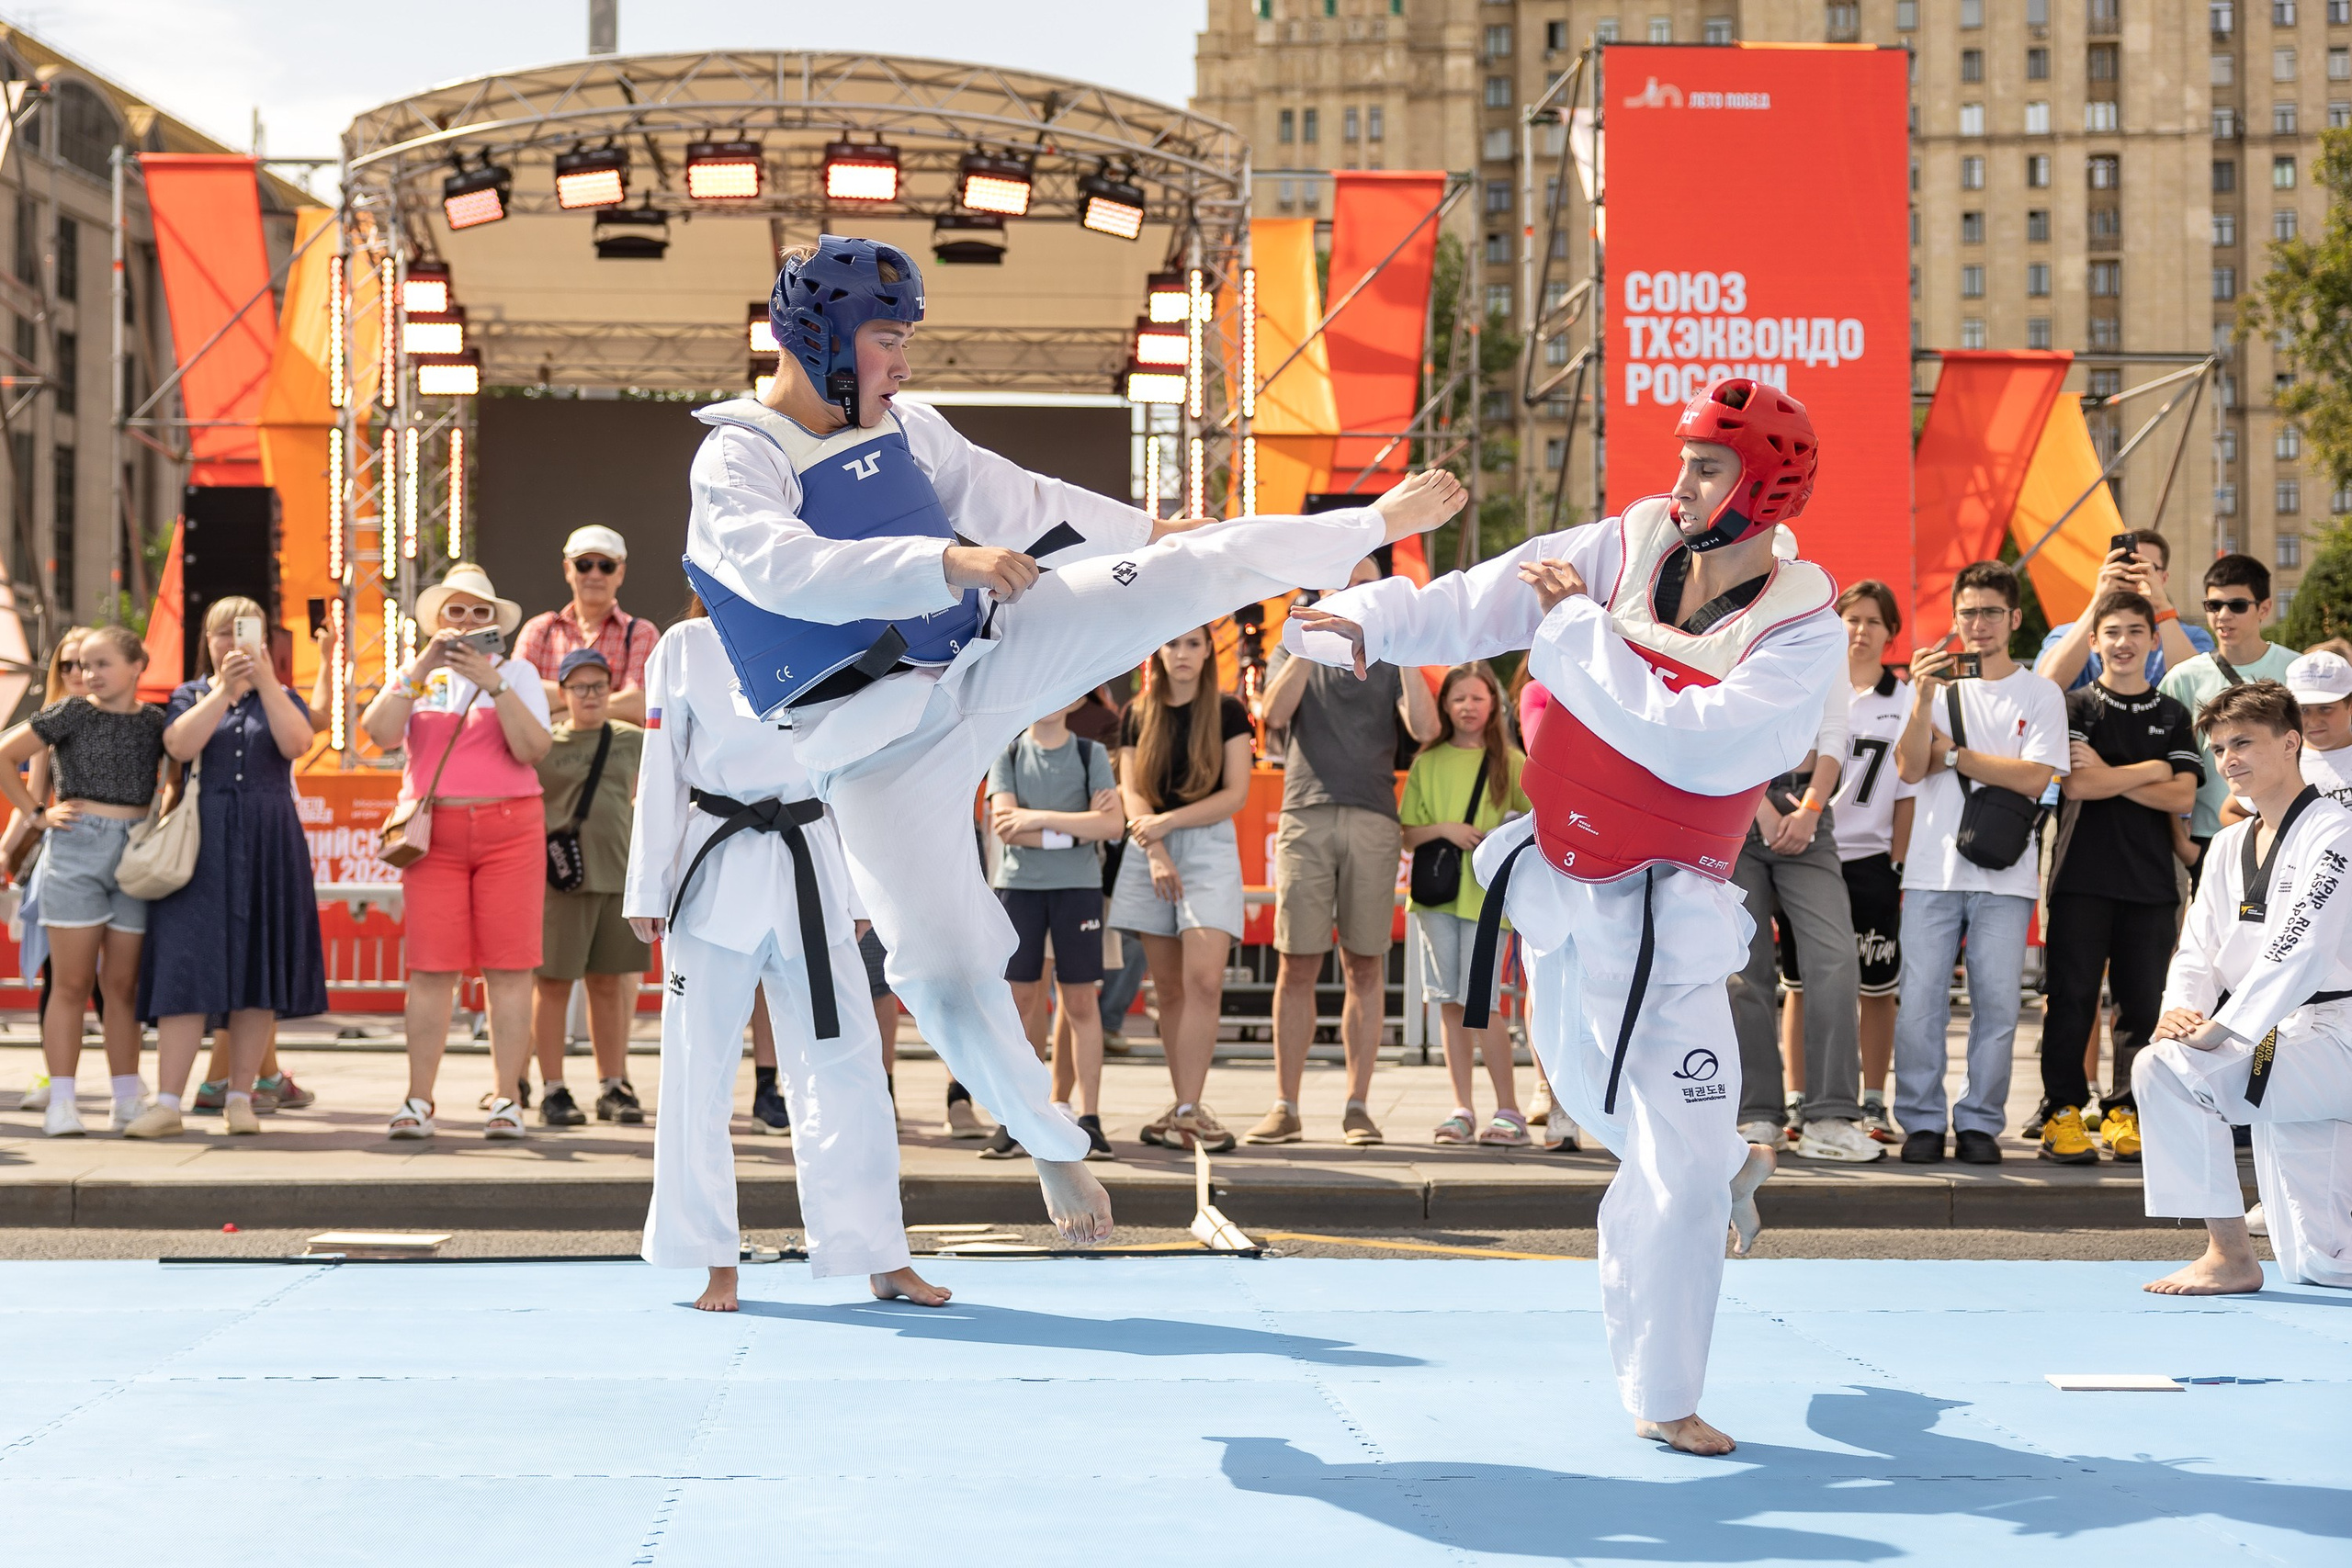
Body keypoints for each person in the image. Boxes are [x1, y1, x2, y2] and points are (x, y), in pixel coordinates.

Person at [684, 234, 1463, 1245]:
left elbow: (1033, 504)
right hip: (872, 746)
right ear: (819, 338)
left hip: (985, 657)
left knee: (1181, 573)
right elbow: (779, 567)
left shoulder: (912, 428)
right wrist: (943, 562)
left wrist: (1156, 536)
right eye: (887, 340)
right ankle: (1050, 1142)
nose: (905, 363)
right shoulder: (739, 455)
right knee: (941, 966)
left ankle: (1357, 528)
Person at [1286, 376, 1838, 1456]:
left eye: (1708, 467)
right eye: (1683, 460)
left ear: (1765, 488)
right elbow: (1476, 600)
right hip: (1557, 880)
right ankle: (1720, 1161)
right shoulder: (1622, 545)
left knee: (1673, 1165)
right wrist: (1364, 617)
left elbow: (1688, 743)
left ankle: (1666, 1391)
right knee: (1589, 1100)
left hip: (1669, 910)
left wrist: (1577, 629)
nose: (1681, 482)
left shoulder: (1800, 628)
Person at [625, 606, 945, 1312]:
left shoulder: (834, 630)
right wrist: (647, 884)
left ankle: (880, 1253)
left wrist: (861, 884)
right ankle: (714, 1257)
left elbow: (863, 768)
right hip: (715, 870)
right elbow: (659, 764)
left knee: (852, 1069)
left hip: (813, 865)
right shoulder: (685, 645)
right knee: (698, 1073)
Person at [2137, 678, 2352, 1295]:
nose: (2228, 759)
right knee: (2323, 1262)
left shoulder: (2336, 830)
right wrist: (2181, 1011)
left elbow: (2304, 946)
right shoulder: (2228, 842)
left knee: (2166, 1071)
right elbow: (2197, 947)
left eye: (2243, 743)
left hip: (2334, 1036)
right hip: (2283, 1039)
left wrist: (2226, 1026)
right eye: (2219, 747)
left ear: (2290, 742)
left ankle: (2229, 1255)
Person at [122, 599, 329, 1138]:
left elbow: (297, 742)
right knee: (186, 962)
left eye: (245, 632)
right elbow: (178, 745)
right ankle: (168, 1102)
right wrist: (223, 691)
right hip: (202, 839)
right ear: (207, 641)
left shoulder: (281, 695)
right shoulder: (189, 694)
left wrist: (265, 683)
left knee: (258, 965)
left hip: (268, 837)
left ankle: (241, 1098)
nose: (233, 643)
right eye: (222, 633)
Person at [1250, 558, 1439, 1146]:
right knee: (1296, 963)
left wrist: (1403, 647)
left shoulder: (1390, 651)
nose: (1358, 593)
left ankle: (1358, 1106)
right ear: (1326, 586)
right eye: (1348, 582)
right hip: (1306, 812)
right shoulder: (1294, 642)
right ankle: (1285, 1105)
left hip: (1373, 817)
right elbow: (1272, 715)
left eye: (1368, 584)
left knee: (1365, 964)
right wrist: (1313, 638)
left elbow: (1425, 728)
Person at [362, 564, 554, 1140]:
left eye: (479, 612)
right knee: (431, 968)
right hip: (434, 836)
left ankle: (507, 1098)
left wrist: (495, 684)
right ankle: (418, 1100)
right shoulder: (416, 675)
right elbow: (379, 732)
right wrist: (421, 668)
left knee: (510, 967)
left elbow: (533, 749)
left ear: (495, 622)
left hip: (511, 828)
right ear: (437, 620)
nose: (468, 622)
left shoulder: (517, 673)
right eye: (456, 611)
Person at [1891, 561, 2069, 1166]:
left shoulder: (2039, 692)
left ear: (2014, 618)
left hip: (2005, 873)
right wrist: (1922, 698)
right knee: (1920, 1004)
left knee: (1997, 1006)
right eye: (1968, 612)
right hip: (1930, 869)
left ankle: (1979, 1124)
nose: (1979, 623)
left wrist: (1955, 755)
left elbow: (2035, 777)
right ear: (1955, 618)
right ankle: (1920, 1121)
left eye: (1991, 611)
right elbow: (1910, 768)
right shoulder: (1935, 689)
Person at [2036, 590, 2201, 1167]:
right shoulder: (2076, 706)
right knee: (2072, 1000)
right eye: (2112, 632)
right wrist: (2154, 769)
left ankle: (2124, 1111)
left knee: (2141, 1007)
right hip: (2080, 877)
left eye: (2136, 631)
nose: (2124, 642)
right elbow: (2079, 785)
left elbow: (2183, 795)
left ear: (2153, 640)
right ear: (2094, 641)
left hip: (2151, 883)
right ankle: (2061, 1111)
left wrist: (2118, 773)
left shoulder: (2172, 713)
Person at [0, 626, 167, 1136]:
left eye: (101, 663)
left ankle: (126, 1099)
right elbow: (4, 752)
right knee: (70, 984)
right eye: (82, 665)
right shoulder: (70, 712)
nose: (88, 673)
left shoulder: (157, 721)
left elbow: (177, 778)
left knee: (122, 986)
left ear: (137, 666)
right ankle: (62, 1103)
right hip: (76, 849)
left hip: (136, 853)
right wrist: (37, 815)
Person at [1111, 626, 1254, 1153]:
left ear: (1208, 651)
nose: (1182, 653)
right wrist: (1155, 851)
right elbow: (1131, 791)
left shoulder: (1228, 710)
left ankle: (1190, 1111)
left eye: (1193, 643)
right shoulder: (1137, 713)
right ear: (1158, 651)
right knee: (1168, 988)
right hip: (1149, 847)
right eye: (1172, 643)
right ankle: (1183, 1107)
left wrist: (1167, 825)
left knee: (1204, 981)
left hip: (1207, 842)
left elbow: (1236, 794)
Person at [1726, 671, 1880, 1163]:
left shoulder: (1824, 635)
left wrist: (1811, 810)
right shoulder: (1737, 634)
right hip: (1735, 808)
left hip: (1808, 809)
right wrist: (1761, 811)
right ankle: (1756, 1113)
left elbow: (1834, 734)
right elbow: (1724, 728)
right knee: (1741, 969)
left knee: (1836, 960)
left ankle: (1830, 1116)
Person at [985, 693, 1124, 1159]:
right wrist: (1078, 828)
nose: (1052, 699)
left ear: (1077, 696)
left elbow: (1113, 826)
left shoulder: (1090, 753)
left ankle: (1091, 1117)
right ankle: (1018, 1116)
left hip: (1078, 888)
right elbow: (1007, 827)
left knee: (1080, 1001)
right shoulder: (1007, 753)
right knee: (1020, 1002)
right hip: (1019, 887)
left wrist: (1038, 819)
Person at [1399, 661, 1532, 1145]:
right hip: (1435, 900)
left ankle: (1509, 1110)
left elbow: (1534, 825)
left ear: (1494, 703)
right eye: (1458, 698)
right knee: (1449, 1003)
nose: (1468, 707)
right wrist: (1447, 830)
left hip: (1488, 901)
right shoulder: (1427, 763)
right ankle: (1462, 1109)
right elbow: (1408, 835)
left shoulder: (1511, 762)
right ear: (1445, 706)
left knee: (1482, 1004)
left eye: (1477, 697)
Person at [531, 648, 651, 1128]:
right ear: (562, 694)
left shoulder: (631, 739)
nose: (590, 695)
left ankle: (613, 1084)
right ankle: (552, 1087)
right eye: (579, 687)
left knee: (609, 983)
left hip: (619, 876)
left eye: (599, 686)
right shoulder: (544, 744)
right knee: (553, 984)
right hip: (561, 881)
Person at [2159, 554, 2295, 879]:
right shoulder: (2182, 678)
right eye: (2213, 605)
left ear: (2264, 608)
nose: (2223, 615)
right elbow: (2162, 763)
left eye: (2237, 605)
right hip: (2210, 838)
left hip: (2287, 835)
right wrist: (2181, 843)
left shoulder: (2296, 669)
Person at [10, 625, 96, 1114]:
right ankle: (54, 1077)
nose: (78, 672)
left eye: (88, 661)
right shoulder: (52, 720)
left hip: (118, 859)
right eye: (68, 663)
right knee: (60, 977)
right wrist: (19, 838)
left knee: (115, 981)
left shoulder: (132, 715)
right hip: (64, 858)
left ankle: (127, 1087)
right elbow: (33, 795)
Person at [2034, 529, 2210, 691]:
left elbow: (2198, 690)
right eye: (2125, 564)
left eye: (2146, 567)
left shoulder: (2191, 637)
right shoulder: (2068, 635)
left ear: (2163, 578)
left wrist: (2162, 606)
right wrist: (2098, 601)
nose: (2133, 573)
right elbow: (2046, 685)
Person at [514, 525, 655, 725]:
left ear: (620, 573)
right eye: (584, 565)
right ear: (568, 569)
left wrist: (559, 715)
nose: (595, 575)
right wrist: (603, 706)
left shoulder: (641, 633)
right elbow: (517, 692)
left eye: (606, 566)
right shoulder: (539, 629)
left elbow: (637, 706)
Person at [2289, 649, 2352, 805]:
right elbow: (2234, 811)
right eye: (2303, 709)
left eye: (2325, 708)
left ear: (2350, 706)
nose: (2313, 721)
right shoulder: (2283, 762)